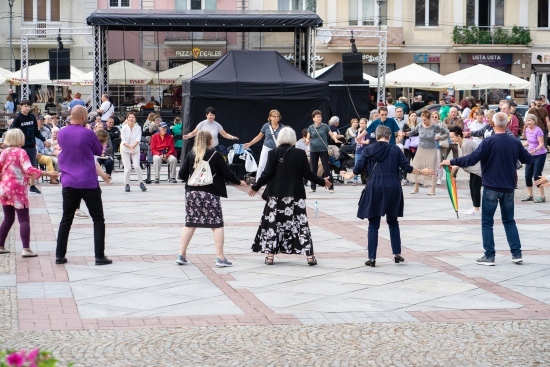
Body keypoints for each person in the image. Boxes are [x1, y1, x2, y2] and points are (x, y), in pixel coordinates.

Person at [441, 112, 533, 266]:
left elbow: (471, 159)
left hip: (491, 186)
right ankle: (516, 254)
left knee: (487, 221)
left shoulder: (488, 141)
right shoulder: (514, 142)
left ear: (493, 124)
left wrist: (451, 161)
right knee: (509, 220)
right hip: (508, 186)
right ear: (507, 124)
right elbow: (528, 159)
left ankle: (489, 255)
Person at [343, 125, 434, 267]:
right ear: (389, 136)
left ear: (377, 136)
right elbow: (407, 167)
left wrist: (349, 175)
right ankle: (397, 254)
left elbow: (358, 168)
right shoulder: (395, 149)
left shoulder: (368, 149)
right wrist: (422, 172)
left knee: (373, 224)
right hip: (393, 187)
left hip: (375, 187)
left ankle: (372, 258)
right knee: (393, 221)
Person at [248, 127, 331, 266]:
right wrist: (323, 181)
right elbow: (308, 174)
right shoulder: (300, 153)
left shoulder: (273, 152)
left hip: (276, 196)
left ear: (280, 138)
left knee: (274, 224)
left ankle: (270, 256)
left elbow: (266, 173)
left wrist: (255, 187)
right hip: (296, 195)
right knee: (301, 224)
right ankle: (310, 256)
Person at [177, 130, 246, 267]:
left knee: (190, 223)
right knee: (216, 224)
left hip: (192, 193)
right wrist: (239, 182)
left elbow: (181, 174)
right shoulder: (215, 155)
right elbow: (227, 173)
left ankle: (181, 255)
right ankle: (220, 258)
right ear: (210, 141)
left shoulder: (191, 154)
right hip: (210, 193)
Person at [55, 106, 113, 266]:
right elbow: (99, 151)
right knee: (98, 219)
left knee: (66, 219)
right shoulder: (88, 133)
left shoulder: (62, 132)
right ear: (82, 116)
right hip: (87, 181)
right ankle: (99, 256)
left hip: (69, 182)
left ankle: (59, 255)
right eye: (86, 116)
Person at [0, 129, 59, 257]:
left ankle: (0, 245)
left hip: (4, 188)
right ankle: (26, 249)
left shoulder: (4, 152)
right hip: (18, 189)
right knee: (23, 219)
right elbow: (28, 169)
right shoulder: (22, 152)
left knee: (8, 218)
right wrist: (47, 173)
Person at [10, 99, 51, 195]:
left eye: (28, 106)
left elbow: (36, 132)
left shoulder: (32, 117)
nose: (27, 107)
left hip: (31, 146)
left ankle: (32, 186)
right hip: (21, 146)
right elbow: (11, 131)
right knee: (19, 166)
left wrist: (44, 140)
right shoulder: (18, 118)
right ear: (21, 106)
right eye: (25, 106)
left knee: (32, 165)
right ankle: (18, 184)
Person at [406, 110, 449, 195]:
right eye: (422, 119)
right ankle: (416, 187)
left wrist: (439, 137)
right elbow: (412, 132)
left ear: (429, 119)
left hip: (431, 150)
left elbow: (446, 132)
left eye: (425, 120)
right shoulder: (420, 125)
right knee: (416, 166)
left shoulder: (435, 126)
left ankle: (433, 188)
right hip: (421, 149)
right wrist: (405, 133)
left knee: (432, 168)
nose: (423, 121)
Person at [448, 126, 482, 215]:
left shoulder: (466, 144)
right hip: (474, 169)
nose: (451, 139)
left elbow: (466, 160)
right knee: (473, 187)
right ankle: (475, 207)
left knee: (475, 188)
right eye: (450, 137)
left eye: (452, 137)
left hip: (478, 168)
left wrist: (456, 166)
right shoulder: (460, 143)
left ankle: (477, 208)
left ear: (459, 135)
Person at [243, 110, 285, 180]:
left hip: (277, 148)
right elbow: (259, 136)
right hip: (267, 147)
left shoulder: (282, 127)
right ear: (270, 117)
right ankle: (257, 181)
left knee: (278, 166)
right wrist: (250, 143)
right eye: (274, 116)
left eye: (278, 117)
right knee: (262, 165)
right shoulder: (266, 126)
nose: (276, 118)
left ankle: (276, 182)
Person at [305, 110, 339, 193]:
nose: (319, 118)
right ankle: (313, 187)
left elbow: (331, 134)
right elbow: (308, 137)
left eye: (320, 116)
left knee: (326, 169)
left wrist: (335, 139)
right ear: (313, 118)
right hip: (313, 150)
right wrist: (307, 140)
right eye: (317, 117)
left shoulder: (325, 126)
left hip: (323, 150)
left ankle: (331, 187)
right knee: (313, 169)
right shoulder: (311, 127)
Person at [521, 113, 547, 203]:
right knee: (527, 175)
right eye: (527, 120)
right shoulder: (527, 130)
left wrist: (535, 150)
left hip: (540, 154)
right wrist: (520, 146)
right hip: (530, 155)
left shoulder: (538, 130)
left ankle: (542, 196)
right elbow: (529, 141)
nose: (527, 122)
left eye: (529, 120)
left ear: (534, 121)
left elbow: (541, 144)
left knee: (537, 175)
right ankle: (530, 195)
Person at [120, 112, 147, 192]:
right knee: (127, 167)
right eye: (129, 117)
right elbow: (123, 140)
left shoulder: (138, 128)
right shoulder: (124, 128)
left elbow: (138, 139)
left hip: (135, 149)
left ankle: (141, 183)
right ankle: (127, 184)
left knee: (136, 166)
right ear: (127, 118)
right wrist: (129, 146)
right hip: (125, 149)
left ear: (135, 119)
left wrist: (133, 147)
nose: (131, 119)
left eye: (133, 117)